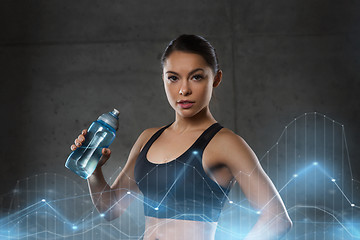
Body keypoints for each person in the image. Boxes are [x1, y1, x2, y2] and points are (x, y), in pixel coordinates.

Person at [70, 34, 292, 240]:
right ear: (164, 80)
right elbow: (110, 209)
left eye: (196, 77)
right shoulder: (148, 138)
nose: (184, 90)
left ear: (215, 79)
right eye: (173, 78)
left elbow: (277, 219)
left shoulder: (226, 143)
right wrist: (94, 170)